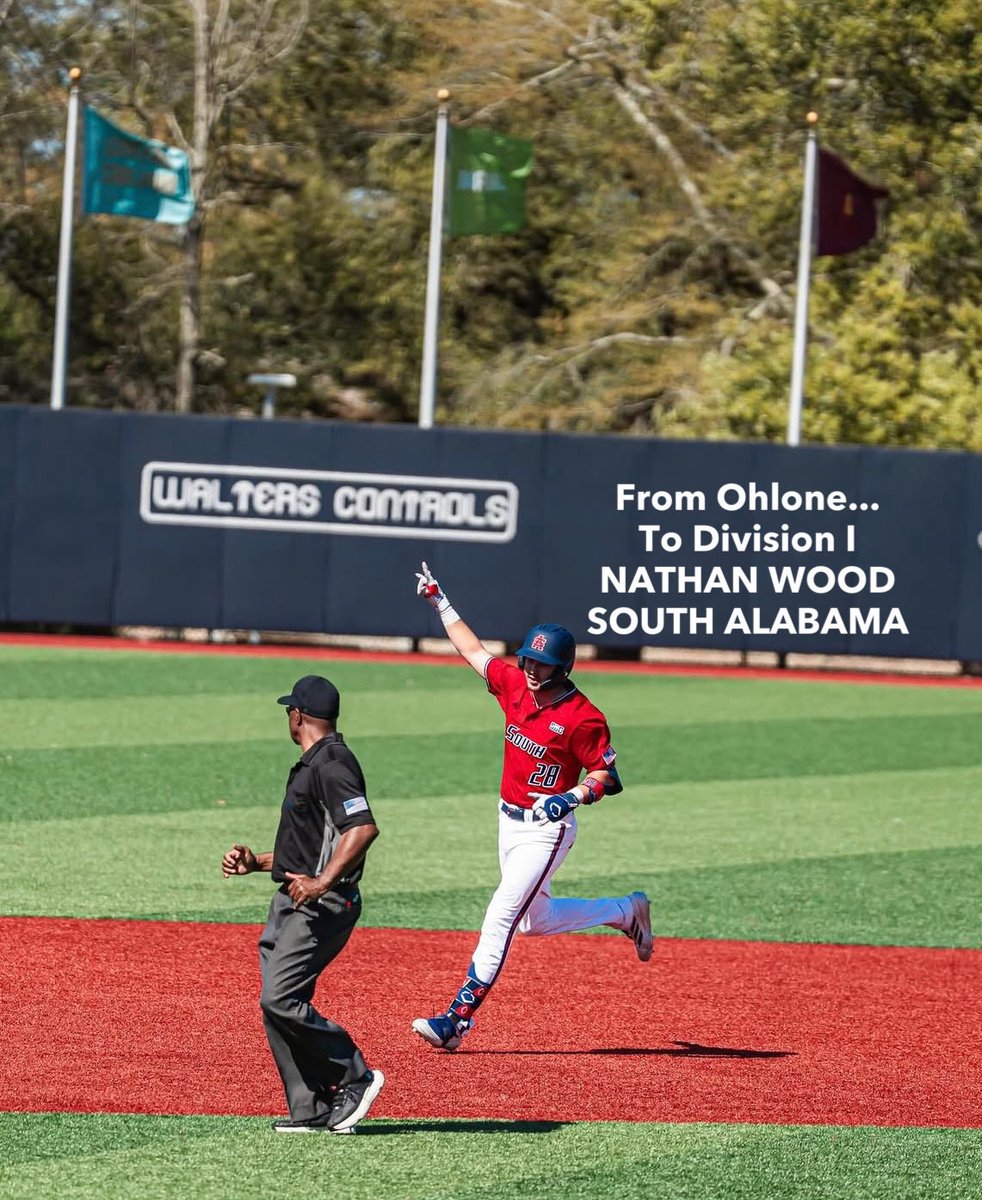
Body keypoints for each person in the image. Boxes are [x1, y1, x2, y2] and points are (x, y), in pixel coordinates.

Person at [411, 562, 653, 1052]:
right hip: (507, 819)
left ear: (562, 667)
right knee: (532, 920)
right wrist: (440, 600)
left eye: (541, 664)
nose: (530, 668)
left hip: (548, 830)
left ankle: (458, 1018)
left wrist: (573, 796)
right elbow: (473, 651)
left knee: (501, 914)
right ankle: (625, 912)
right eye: (527, 660)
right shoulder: (515, 686)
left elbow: (608, 775)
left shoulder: (584, 718)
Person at [221, 674, 385, 1132]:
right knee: (274, 1001)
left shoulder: (332, 764)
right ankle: (311, 1106)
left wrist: (321, 884)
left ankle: (355, 1075)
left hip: (321, 906)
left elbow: (362, 829)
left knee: (280, 997)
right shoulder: (315, 762)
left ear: (298, 716)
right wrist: (257, 862)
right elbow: (312, 848)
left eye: (289, 711)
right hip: (293, 899)